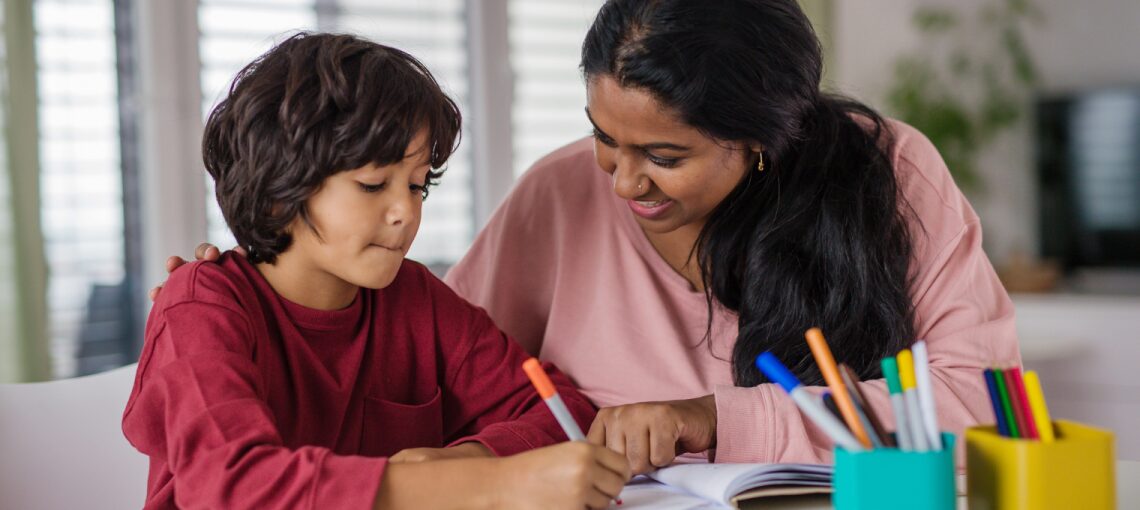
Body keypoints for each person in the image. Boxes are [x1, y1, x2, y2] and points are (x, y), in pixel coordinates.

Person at [169, 0, 1019, 475]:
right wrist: (249, 281)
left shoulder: (892, 173)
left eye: (664, 155)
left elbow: (982, 404)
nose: (618, 181)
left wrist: (709, 419)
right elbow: (425, 361)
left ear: (760, 139)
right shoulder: (560, 191)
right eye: (604, 137)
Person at [124, 32, 629, 509]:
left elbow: (562, 409)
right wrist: (483, 482)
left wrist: (462, 460)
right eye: (372, 184)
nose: (405, 212)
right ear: (280, 192)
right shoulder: (202, 304)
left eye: (416, 185)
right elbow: (233, 485)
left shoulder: (415, 298)